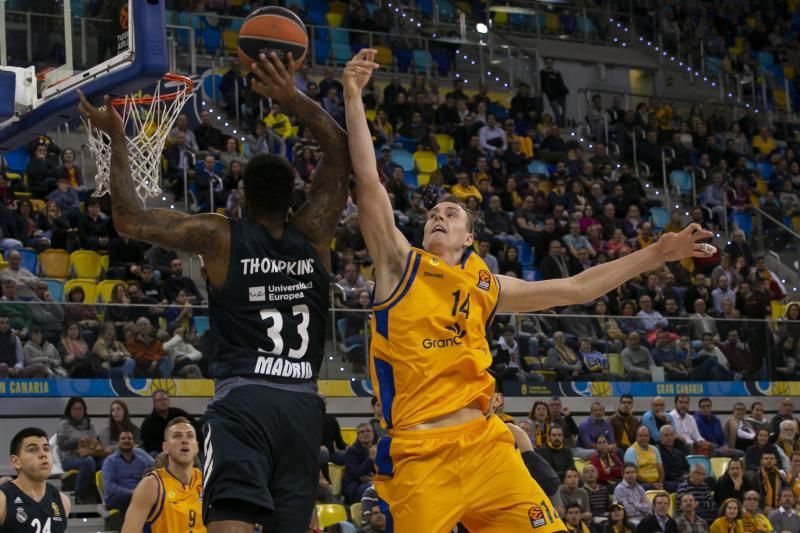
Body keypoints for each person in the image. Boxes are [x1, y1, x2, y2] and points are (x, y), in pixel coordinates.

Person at [344, 49, 715, 531]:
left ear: (470, 237)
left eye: (451, 214)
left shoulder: (486, 284)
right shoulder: (399, 265)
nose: (439, 215)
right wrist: (353, 94)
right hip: (420, 457)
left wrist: (656, 254)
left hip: (486, 448)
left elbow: (577, 287)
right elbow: (369, 181)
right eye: (434, 212)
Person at [79, 47, 353, 532]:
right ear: (296, 197)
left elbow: (127, 218)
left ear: (241, 197)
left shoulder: (220, 235)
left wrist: (117, 141)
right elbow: (339, 150)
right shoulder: (315, 235)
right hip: (302, 408)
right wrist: (293, 98)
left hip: (245, 403)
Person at [120, 418, 204, 533]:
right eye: (177, 436)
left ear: (197, 447)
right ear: (166, 447)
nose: (185, 440)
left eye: (190, 436)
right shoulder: (151, 486)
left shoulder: (207, 483)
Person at [0, 427, 71, 532]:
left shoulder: (63, 501)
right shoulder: (3, 499)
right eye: (32, 449)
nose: (43, 454)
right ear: (16, 461)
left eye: (46, 449)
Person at [56, 397, 105, 503]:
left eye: (80, 408)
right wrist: (77, 441)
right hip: (70, 458)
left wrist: (91, 444)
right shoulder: (64, 424)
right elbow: (62, 445)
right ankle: (79, 494)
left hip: (89, 454)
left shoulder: (90, 426)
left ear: (84, 410)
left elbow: (96, 443)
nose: (78, 411)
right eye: (75, 409)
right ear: (69, 410)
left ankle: (102, 495)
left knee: (105, 462)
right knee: (88, 462)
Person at [100, 430, 154, 516]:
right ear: (118, 443)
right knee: (128, 499)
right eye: (123, 438)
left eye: (129, 438)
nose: (126, 441)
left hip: (136, 496)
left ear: (134, 443)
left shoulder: (141, 461)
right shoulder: (110, 461)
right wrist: (130, 492)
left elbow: (144, 482)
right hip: (115, 498)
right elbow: (109, 486)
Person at [139, 390, 200, 456]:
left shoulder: (179, 413)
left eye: (165, 399)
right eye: (159, 400)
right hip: (161, 452)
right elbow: (150, 445)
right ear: (154, 403)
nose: (163, 402)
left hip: (183, 447)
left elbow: (195, 427)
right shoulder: (148, 423)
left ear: (169, 401)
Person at [342, 423, 375, 505]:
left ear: (373, 434)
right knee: (373, 486)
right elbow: (357, 474)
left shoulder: (374, 449)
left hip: (370, 482)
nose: (366, 433)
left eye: (368, 431)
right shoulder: (352, 451)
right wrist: (370, 459)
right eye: (362, 432)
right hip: (354, 489)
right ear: (358, 435)